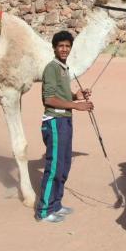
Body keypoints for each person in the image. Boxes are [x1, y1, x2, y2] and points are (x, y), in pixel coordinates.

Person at [36, 30, 94, 223]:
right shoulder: (51, 68)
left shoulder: (63, 68)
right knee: (54, 167)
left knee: (64, 165)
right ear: (54, 48)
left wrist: (77, 95)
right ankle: (44, 211)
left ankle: (56, 204)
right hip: (54, 121)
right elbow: (49, 99)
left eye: (67, 46)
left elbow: (62, 95)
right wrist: (76, 106)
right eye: (61, 46)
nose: (64, 49)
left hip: (65, 121)